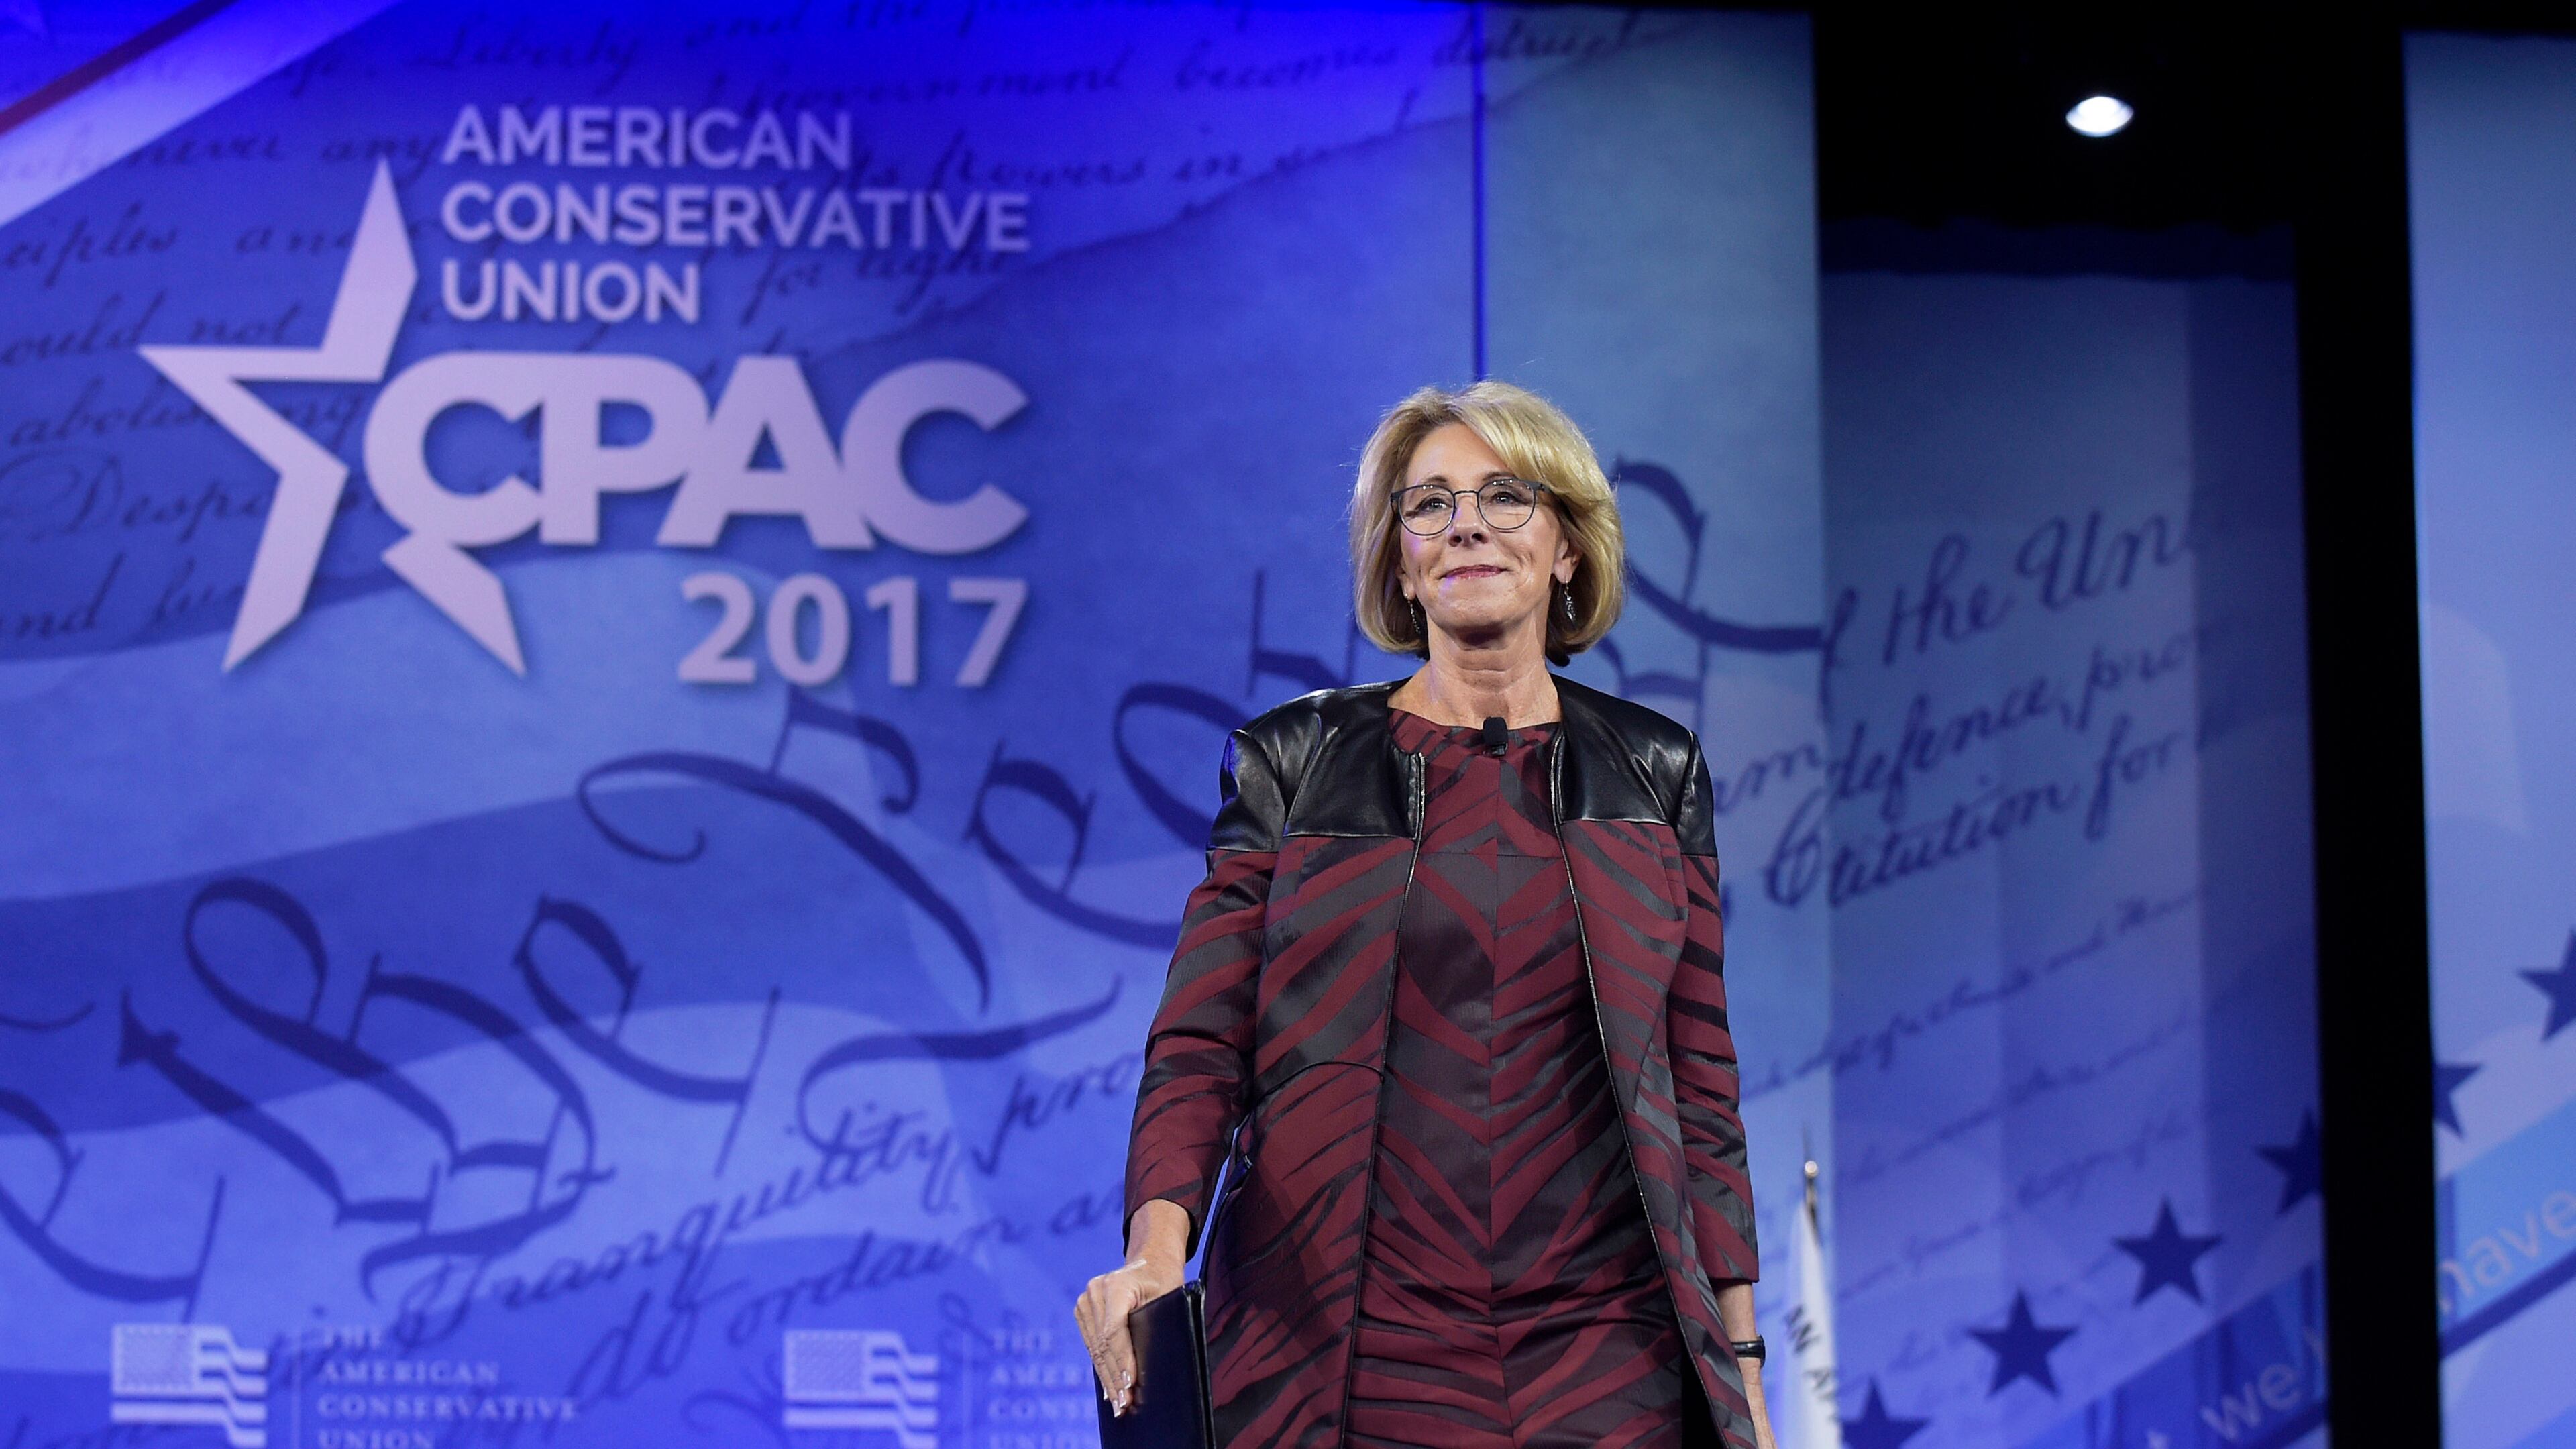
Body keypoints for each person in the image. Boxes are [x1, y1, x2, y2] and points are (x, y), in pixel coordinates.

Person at [1076, 381, 1776, 1449]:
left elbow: (1699, 1085)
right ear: (1400, 562)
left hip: (1604, 1351)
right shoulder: (1294, 766)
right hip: (1346, 1345)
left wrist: (1743, 1370)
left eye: (1505, 496)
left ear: (1570, 547)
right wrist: (1155, 1261)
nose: (1466, 527)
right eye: (1428, 506)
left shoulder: (1655, 772)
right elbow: (1199, 1044)